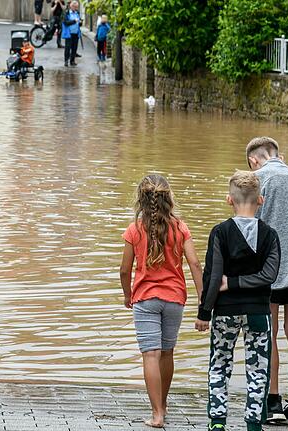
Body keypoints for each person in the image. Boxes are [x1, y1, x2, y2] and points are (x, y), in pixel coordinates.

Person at [195, 171, 280, 431]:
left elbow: (213, 276)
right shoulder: (270, 235)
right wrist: (242, 282)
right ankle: (254, 424)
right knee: (258, 369)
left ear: (229, 200)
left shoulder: (220, 232)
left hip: (225, 311)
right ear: (261, 200)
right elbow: (270, 275)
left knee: (219, 363)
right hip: (258, 312)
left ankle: (217, 422)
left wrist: (204, 312)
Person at [119, 174, 203, 429]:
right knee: (167, 352)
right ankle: (163, 406)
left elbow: (124, 269)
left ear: (141, 200)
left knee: (150, 354)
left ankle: (156, 414)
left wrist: (127, 294)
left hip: (145, 299)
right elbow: (195, 264)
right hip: (174, 298)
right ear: (168, 198)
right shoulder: (180, 228)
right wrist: (203, 301)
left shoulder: (135, 229)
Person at [246, 137, 288, 427]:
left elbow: (250, 225)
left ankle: (272, 402)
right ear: (279, 155)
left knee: (269, 333)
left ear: (253, 160)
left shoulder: (257, 179)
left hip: (270, 271)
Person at [63, 1, 82, 67]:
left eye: (76, 7)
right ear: (71, 6)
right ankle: (66, 61)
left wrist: (80, 22)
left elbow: (79, 23)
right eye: (74, 7)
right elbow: (65, 22)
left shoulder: (77, 13)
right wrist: (74, 21)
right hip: (69, 33)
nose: (75, 8)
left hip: (76, 33)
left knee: (74, 48)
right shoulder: (67, 13)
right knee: (67, 48)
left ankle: (72, 61)